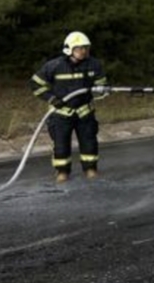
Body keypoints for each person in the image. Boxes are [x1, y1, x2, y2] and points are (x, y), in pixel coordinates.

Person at [31, 31, 108, 182]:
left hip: (85, 112)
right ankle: (62, 172)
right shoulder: (54, 66)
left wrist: (100, 91)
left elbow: (101, 85)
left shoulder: (94, 64)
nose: (83, 51)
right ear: (69, 49)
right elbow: (35, 84)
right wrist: (52, 99)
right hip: (61, 113)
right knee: (61, 145)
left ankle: (91, 169)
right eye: (79, 48)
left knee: (89, 143)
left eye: (85, 48)